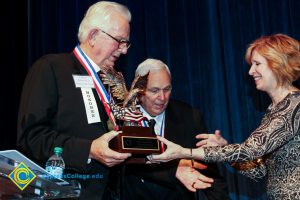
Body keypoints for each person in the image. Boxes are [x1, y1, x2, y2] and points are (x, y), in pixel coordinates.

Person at [151, 34, 300, 199]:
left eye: (257, 64)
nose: (251, 71)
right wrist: (223, 147)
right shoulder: (274, 110)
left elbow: (250, 150)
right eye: (251, 65)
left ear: (278, 65)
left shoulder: (295, 106)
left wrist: (183, 152)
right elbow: (259, 172)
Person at [17, 1, 133, 199]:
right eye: (120, 40)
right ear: (93, 36)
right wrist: (89, 150)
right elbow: (31, 138)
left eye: (126, 43)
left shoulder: (112, 83)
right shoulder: (51, 68)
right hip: (64, 191)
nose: (124, 50)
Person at [122, 59, 229, 200]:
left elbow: (209, 174)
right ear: (139, 89)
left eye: (167, 89)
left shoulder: (190, 116)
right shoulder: (123, 117)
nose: (162, 97)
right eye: (154, 90)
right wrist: (173, 171)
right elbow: (125, 164)